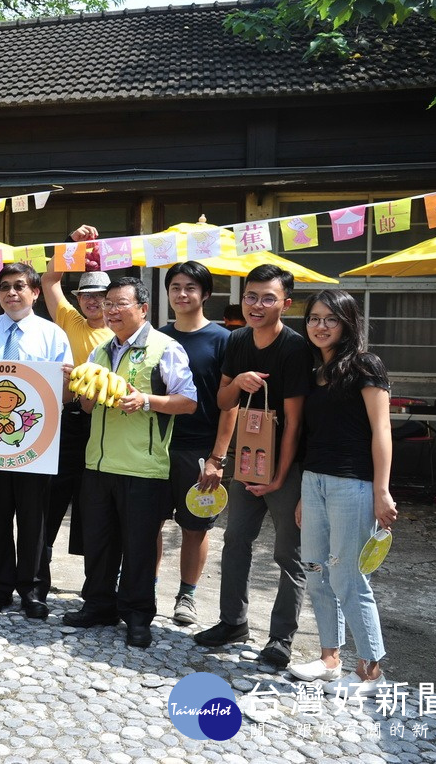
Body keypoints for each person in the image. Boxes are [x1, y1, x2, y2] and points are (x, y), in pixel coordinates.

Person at [64, 277, 198, 648]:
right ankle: (98, 605)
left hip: (143, 466)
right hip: (99, 463)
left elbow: (188, 401)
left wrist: (147, 400)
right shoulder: (101, 350)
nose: (111, 311)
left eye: (120, 303)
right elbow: (88, 406)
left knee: (139, 547)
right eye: (107, 304)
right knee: (99, 542)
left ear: (143, 308)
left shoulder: (165, 348)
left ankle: (138, 615)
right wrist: (81, 386)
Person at [195, 264, 311, 669]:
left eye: (267, 298)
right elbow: (224, 402)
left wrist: (280, 477)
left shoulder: (295, 348)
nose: (256, 305)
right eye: (250, 296)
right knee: (236, 541)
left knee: (288, 553)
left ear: (286, 303)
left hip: (286, 465)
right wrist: (238, 381)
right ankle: (233, 622)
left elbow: (295, 423)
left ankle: (281, 638)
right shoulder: (238, 340)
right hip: (247, 459)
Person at [287, 289, 397, 697]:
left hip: (353, 484)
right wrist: (303, 493)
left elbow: (382, 430)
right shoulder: (316, 371)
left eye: (330, 319)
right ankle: (330, 658)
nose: (320, 326)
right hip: (313, 481)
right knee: (315, 569)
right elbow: (314, 438)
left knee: (349, 575)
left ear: (348, 322)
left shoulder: (366, 365)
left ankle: (371, 671)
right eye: (314, 318)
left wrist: (382, 491)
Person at [0, 262, 71, 619]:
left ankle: (32, 589)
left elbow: (65, 393)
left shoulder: (53, 335)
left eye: (18, 286)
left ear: (34, 292)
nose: (11, 293)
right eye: (4, 287)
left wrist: (66, 381)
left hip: (35, 444)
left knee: (34, 519)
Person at [155, 262, 236, 626]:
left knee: (195, 526)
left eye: (190, 287)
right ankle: (144, 587)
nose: (182, 294)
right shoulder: (156, 337)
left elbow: (230, 403)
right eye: (175, 287)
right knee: (148, 523)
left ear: (205, 294)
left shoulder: (224, 340)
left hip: (199, 449)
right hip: (155, 446)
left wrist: (217, 458)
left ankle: (186, 596)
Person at [39, 226, 114, 602]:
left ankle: (95, 586)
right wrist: (75, 247)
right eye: (87, 295)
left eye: (102, 296)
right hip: (67, 420)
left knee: (95, 505)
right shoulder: (69, 320)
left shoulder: (120, 334)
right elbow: (49, 278)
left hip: (106, 423)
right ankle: (39, 575)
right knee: (52, 499)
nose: (94, 302)